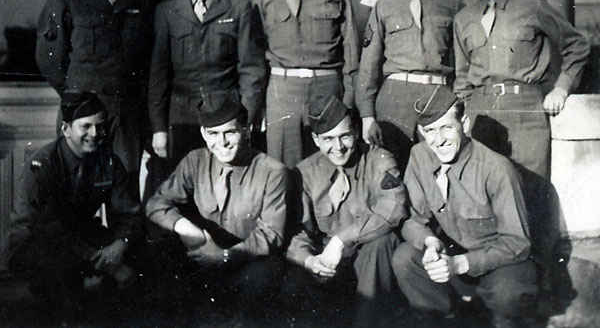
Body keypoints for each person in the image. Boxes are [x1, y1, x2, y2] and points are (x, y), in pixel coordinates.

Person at [453, 0, 590, 278]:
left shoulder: (533, 7)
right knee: (485, 197)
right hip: (482, 116)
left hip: (526, 113)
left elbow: (577, 45)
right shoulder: (464, 19)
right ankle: (495, 286)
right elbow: (461, 75)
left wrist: (561, 87)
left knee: (532, 195)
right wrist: (467, 111)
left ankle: (540, 287)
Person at [392, 86, 538, 328]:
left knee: (508, 294)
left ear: (465, 123)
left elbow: (517, 243)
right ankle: (444, 321)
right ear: (421, 132)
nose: (438, 140)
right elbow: (412, 220)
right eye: (430, 131)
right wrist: (430, 243)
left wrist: (460, 264)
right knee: (405, 258)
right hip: (452, 261)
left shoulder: (496, 169)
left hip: (499, 265)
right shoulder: (419, 156)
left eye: (446, 128)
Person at [145, 93, 288, 322]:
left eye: (230, 132)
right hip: (204, 253)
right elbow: (156, 203)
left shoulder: (272, 172)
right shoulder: (196, 160)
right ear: (203, 133)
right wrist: (189, 231)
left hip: (247, 260)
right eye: (213, 134)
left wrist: (224, 256)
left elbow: (272, 235)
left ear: (245, 130)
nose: (221, 143)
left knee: (263, 276)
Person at [35, 0, 153, 185]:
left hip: (125, 117)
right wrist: (76, 96)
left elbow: (145, 58)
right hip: (82, 116)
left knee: (125, 196)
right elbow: (48, 58)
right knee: (75, 192)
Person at [3, 92, 143, 312]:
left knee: (144, 257)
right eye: (85, 127)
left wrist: (120, 244)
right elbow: (45, 225)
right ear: (66, 129)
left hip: (81, 236)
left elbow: (129, 213)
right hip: (35, 241)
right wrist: (104, 262)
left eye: (100, 126)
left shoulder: (108, 161)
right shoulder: (43, 164)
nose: (95, 134)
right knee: (66, 282)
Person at [286, 94, 407, 327]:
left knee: (381, 243)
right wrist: (310, 261)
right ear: (316, 139)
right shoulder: (304, 172)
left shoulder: (378, 159)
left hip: (369, 263)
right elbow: (298, 230)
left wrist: (341, 240)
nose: (338, 147)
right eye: (328, 139)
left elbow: (393, 208)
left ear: (355, 132)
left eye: (345, 136)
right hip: (329, 265)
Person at [148, 0, 266, 170]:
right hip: (181, 118)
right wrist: (159, 128)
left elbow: (251, 69)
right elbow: (158, 76)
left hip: (225, 116)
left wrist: (246, 119)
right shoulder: (168, 11)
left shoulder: (239, 7)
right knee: (183, 183)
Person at [255, 0, 360, 168]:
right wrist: (259, 106)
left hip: (327, 87)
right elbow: (254, 55)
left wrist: (348, 101)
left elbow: (351, 50)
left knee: (328, 162)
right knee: (282, 167)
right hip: (282, 91)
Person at [357, 0, 464, 168]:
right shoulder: (385, 6)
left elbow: (462, 64)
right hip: (395, 99)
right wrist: (367, 116)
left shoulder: (453, 6)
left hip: (439, 95)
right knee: (395, 168)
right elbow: (368, 65)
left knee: (439, 167)